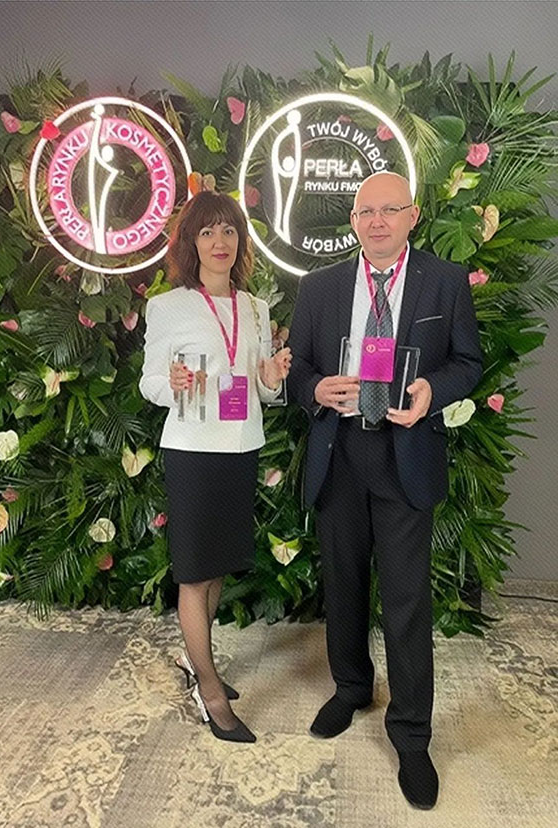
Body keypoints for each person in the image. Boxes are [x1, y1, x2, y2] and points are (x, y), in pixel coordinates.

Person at [287, 172, 482, 809]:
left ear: (411, 216)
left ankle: (412, 735)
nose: (377, 221)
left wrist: (433, 391)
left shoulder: (444, 281)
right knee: (343, 583)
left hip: (405, 453)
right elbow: (299, 370)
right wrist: (314, 389)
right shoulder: (318, 287)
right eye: (365, 211)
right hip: (341, 452)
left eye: (389, 210)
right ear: (352, 221)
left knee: (405, 600)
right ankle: (350, 688)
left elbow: (468, 362)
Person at [140, 191, 291, 744]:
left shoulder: (254, 308)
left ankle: (194, 660)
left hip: (240, 447)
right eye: (207, 231)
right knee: (194, 572)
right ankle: (209, 690)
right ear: (191, 242)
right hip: (192, 451)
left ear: (240, 241)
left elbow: (261, 389)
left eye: (229, 230)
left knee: (218, 565)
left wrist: (271, 377)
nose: (219, 241)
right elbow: (150, 382)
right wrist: (173, 384)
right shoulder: (168, 307)